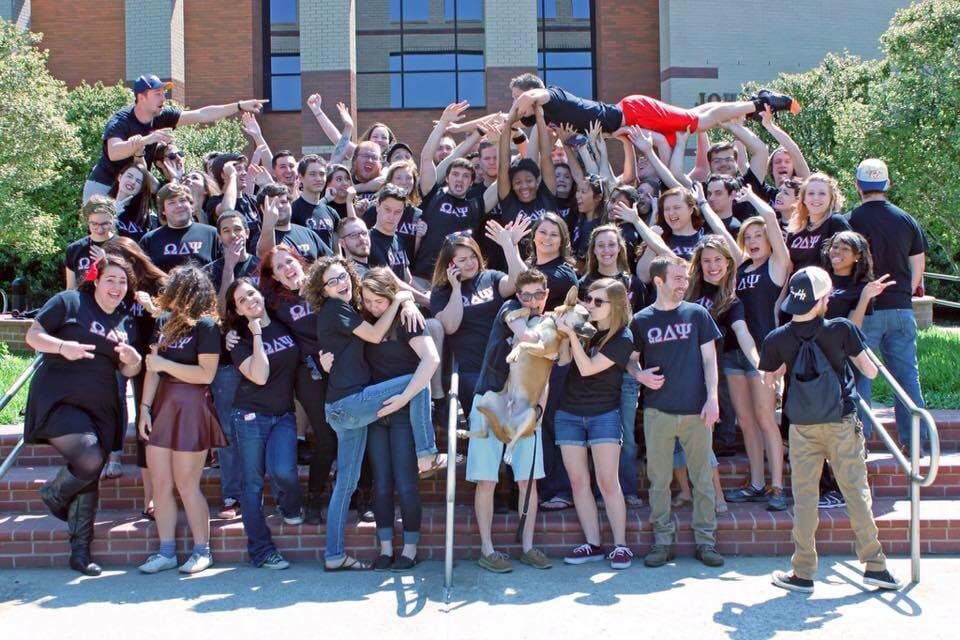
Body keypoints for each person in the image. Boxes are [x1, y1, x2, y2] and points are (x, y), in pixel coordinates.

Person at [763, 267, 902, 593]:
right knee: (856, 493)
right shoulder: (841, 329)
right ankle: (875, 566)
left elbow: (769, 380)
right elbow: (870, 370)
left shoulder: (776, 338)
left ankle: (803, 571)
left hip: (801, 427)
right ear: (822, 299)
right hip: (841, 422)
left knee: (806, 498)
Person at [303, 256, 436, 571]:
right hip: (353, 403)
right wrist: (402, 298)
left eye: (343, 277)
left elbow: (352, 344)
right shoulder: (337, 309)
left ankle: (335, 555)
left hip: (350, 409)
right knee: (417, 380)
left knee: (346, 485)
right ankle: (428, 450)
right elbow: (376, 336)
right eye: (332, 281)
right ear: (323, 289)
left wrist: (407, 304)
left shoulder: (352, 312)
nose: (340, 284)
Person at [25, 254, 142, 575]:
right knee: (90, 459)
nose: (117, 287)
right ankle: (52, 494)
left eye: (123, 282)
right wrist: (64, 347)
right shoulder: (70, 302)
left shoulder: (123, 321)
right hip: (60, 400)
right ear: (96, 280)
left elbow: (128, 369)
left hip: (103, 408)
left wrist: (134, 360)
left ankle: (80, 553)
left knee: (87, 471)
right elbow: (32, 335)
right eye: (111, 280)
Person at [629, 254, 724, 568]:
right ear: (659, 281)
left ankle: (706, 543)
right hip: (658, 413)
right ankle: (662, 542)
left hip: (697, 411)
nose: (684, 284)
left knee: (702, 479)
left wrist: (713, 398)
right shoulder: (642, 319)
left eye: (686, 278)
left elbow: (710, 360)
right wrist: (639, 374)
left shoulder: (696, 314)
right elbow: (630, 359)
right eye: (678, 279)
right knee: (658, 480)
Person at [136, 266, 224, 574]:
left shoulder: (207, 326)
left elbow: (206, 374)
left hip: (192, 407)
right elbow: (151, 368)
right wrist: (144, 409)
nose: (167, 291)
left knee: (187, 484)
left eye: (173, 286)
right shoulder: (162, 323)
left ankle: (202, 550)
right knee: (161, 484)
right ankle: (166, 552)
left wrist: (163, 364)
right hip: (162, 407)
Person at [467, 269, 552, 573]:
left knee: (527, 481)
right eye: (526, 295)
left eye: (538, 295)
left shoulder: (548, 323)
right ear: (518, 295)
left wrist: (539, 411)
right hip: (489, 400)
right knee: (486, 478)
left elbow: (545, 376)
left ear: (546, 293)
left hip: (526, 407)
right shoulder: (510, 309)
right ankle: (487, 550)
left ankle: (528, 547)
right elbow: (525, 336)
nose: (532, 301)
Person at [359, 269, 441, 571]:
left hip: (405, 411)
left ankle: (409, 548)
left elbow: (431, 360)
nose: (373, 306)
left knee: (406, 484)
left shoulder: (408, 319)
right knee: (381, 484)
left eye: (379, 301)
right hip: (376, 413)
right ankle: (384, 548)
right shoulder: (364, 321)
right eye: (367, 301)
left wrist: (405, 398)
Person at [847, 159, 928, 450]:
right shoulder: (906, 220)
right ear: (887, 184)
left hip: (865, 309)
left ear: (858, 186)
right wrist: (906, 290)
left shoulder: (850, 220)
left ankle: (860, 443)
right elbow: (917, 261)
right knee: (907, 377)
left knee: (861, 378)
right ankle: (916, 443)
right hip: (901, 308)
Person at [555, 278, 635, 569]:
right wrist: (566, 335)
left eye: (598, 302)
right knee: (578, 481)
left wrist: (573, 336)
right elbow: (564, 362)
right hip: (569, 412)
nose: (589, 305)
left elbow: (588, 369)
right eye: (589, 299)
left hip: (604, 413)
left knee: (607, 482)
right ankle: (592, 543)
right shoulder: (583, 328)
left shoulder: (623, 337)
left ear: (615, 305)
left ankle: (621, 546)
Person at [84, 74, 265, 202]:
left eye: (164, 92)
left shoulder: (162, 115)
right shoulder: (121, 120)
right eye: (157, 93)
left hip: (135, 184)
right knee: (100, 233)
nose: (163, 97)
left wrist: (240, 105)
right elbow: (114, 152)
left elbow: (202, 114)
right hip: (104, 182)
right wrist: (146, 140)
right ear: (141, 97)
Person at [224, 278, 303, 570]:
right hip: (250, 417)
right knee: (252, 485)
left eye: (251, 294)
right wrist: (256, 335)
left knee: (284, 471)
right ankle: (261, 550)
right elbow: (259, 376)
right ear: (238, 310)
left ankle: (289, 505)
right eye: (242, 301)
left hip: (283, 414)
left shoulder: (284, 323)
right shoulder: (239, 338)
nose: (249, 301)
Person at [257, 245, 337, 525]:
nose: (286, 269)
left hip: (344, 365)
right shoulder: (276, 303)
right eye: (279, 267)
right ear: (275, 277)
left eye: (288, 262)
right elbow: (245, 316)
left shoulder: (326, 284)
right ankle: (314, 499)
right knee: (326, 436)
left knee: (354, 432)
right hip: (310, 372)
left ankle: (358, 493)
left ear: (299, 261)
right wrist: (233, 335)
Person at [724, 187, 792, 510]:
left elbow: (769, 218)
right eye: (747, 236)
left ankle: (777, 486)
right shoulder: (740, 269)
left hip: (764, 352)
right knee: (745, 421)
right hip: (733, 352)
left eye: (758, 236)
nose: (752, 241)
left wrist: (751, 197)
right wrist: (700, 203)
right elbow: (723, 234)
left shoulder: (777, 266)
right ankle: (755, 482)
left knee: (766, 418)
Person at [505, 73, 799, 147]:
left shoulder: (549, 96)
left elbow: (530, 95)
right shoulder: (552, 116)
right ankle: (748, 109)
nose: (516, 105)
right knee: (695, 116)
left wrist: (509, 120)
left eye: (516, 98)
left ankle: (761, 102)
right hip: (631, 117)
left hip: (634, 112)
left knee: (696, 121)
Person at [102, 236, 168, 515]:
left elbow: (178, 320)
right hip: (116, 356)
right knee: (110, 408)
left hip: (151, 360)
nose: (119, 270)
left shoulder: (159, 284)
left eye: (123, 261)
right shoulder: (112, 286)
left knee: (148, 424)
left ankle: (152, 498)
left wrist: (154, 308)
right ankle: (109, 456)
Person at [201, 211, 260, 519]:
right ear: (219, 236)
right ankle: (232, 495)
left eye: (237, 229)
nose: (233, 234)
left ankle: (261, 491)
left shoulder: (262, 266)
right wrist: (228, 267)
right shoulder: (212, 270)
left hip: (262, 357)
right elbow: (221, 310)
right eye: (226, 230)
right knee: (227, 428)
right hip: (226, 363)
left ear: (247, 231)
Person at [139, 182, 220, 272]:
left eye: (182, 200)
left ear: (191, 205)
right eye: (172, 203)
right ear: (163, 211)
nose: (179, 206)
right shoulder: (149, 240)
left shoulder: (212, 234)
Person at [786, 173, 851, 270]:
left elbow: (849, 260)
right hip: (795, 283)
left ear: (831, 198)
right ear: (804, 199)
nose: (816, 197)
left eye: (822, 193)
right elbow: (788, 265)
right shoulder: (796, 227)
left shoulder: (836, 222)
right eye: (811, 193)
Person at [256, 183, 332, 262]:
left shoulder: (308, 233)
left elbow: (330, 261)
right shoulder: (261, 239)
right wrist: (268, 225)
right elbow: (266, 255)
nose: (280, 206)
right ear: (262, 209)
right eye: (273, 204)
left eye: (283, 202)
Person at [206, 153, 262, 251]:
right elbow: (227, 211)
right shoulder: (214, 201)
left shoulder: (253, 200)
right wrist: (232, 176)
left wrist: (265, 184)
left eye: (244, 168)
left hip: (254, 261)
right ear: (224, 174)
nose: (244, 173)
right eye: (239, 169)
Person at [64, 196, 117, 290]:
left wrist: (104, 261)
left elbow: (127, 282)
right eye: (94, 224)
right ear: (87, 221)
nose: (100, 229)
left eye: (105, 224)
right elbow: (71, 288)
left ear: (113, 220)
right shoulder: (74, 249)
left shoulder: (124, 246)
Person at [291, 154, 340, 249]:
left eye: (322, 174)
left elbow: (337, 251)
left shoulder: (332, 213)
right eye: (312, 174)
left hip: (330, 263)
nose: (318, 179)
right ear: (300, 178)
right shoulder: (293, 210)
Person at [110, 160, 158, 243]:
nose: (132, 182)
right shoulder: (102, 206)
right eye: (129, 176)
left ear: (141, 189)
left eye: (138, 181)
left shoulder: (147, 217)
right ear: (120, 177)